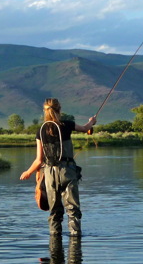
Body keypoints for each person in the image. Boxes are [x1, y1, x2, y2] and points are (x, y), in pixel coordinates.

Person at [20, 98, 96, 236]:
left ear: (45, 111)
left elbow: (38, 160)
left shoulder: (41, 130)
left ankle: (55, 242)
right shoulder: (66, 125)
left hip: (49, 173)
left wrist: (28, 172)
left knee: (54, 210)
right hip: (67, 171)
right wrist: (92, 121)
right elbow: (86, 129)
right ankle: (75, 240)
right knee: (72, 209)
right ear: (59, 109)